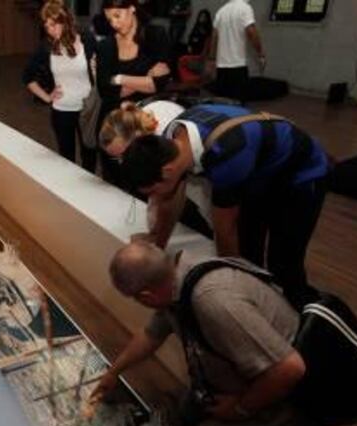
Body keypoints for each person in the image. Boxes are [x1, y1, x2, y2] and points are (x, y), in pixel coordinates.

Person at [87, 242, 357, 426]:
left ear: (146, 296)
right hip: (246, 378)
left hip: (289, 396)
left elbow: (289, 370)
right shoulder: (177, 278)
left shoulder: (213, 301)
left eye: (136, 299)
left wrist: (239, 409)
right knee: (185, 415)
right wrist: (114, 372)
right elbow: (151, 335)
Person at [121, 104, 330, 308]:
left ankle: (305, 316)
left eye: (151, 192)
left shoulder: (225, 155)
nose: (153, 198)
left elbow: (225, 231)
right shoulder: (170, 138)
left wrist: (227, 289)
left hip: (302, 175)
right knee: (249, 250)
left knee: (284, 262)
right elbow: (170, 201)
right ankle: (260, 303)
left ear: (167, 172)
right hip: (259, 171)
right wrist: (157, 246)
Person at [98, 99, 214, 240]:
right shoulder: (134, 119)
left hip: (206, 167)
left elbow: (165, 197)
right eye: (117, 159)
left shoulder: (163, 140)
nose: (123, 162)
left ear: (137, 137)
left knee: (210, 214)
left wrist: (156, 238)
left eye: (124, 155)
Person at [96, 0, 171, 194]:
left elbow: (160, 83)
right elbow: (105, 90)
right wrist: (145, 79)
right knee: (115, 184)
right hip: (113, 122)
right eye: (109, 18)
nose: (113, 23)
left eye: (117, 16)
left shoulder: (155, 35)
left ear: (131, 8)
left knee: (145, 183)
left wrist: (119, 78)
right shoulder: (105, 46)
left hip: (145, 122)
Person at [23, 1, 98, 172]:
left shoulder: (87, 39)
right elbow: (27, 76)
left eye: (54, 24)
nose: (50, 29)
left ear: (65, 21)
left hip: (87, 110)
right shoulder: (46, 47)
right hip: (62, 110)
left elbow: (98, 73)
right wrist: (47, 96)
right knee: (67, 158)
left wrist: (96, 71)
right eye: (47, 25)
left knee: (90, 156)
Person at [207, 0, 265, 103]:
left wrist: (211, 59)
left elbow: (214, 37)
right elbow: (251, 31)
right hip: (238, 66)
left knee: (223, 103)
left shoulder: (221, 11)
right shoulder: (245, 8)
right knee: (239, 103)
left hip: (221, 67)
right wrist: (260, 53)